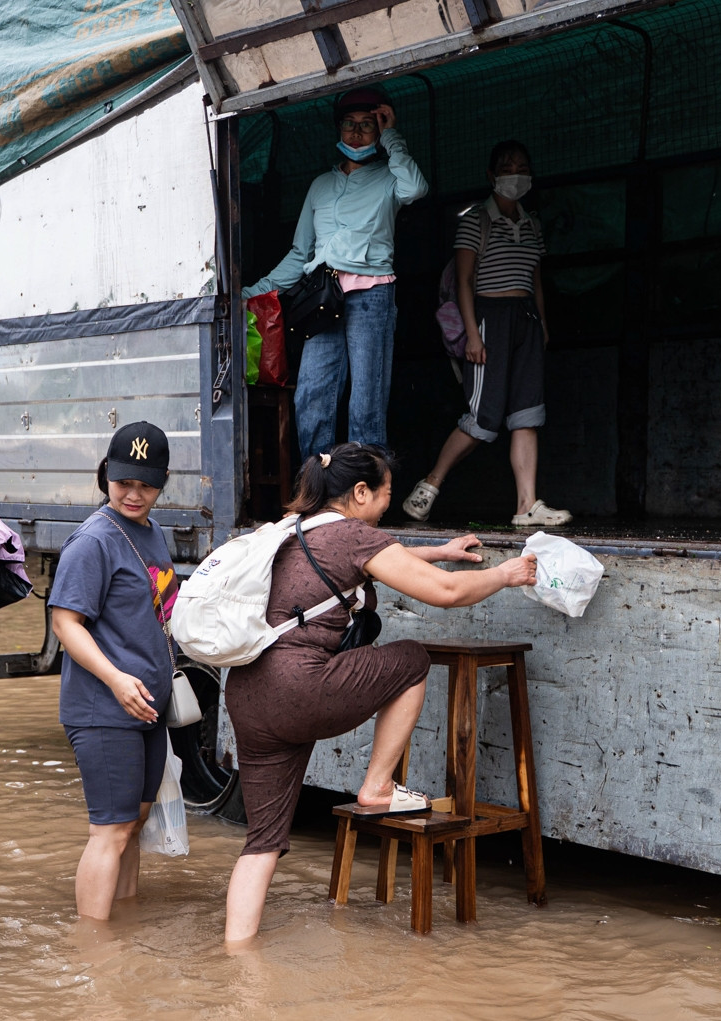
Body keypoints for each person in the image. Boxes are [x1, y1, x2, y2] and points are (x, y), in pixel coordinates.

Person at [221, 443, 537, 943]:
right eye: (386, 495)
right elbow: (446, 593)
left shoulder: (294, 529)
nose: (389, 505)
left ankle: (236, 963)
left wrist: (439, 552)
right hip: (300, 687)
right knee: (411, 659)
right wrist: (505, 574)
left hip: (246, 693)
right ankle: (377, 787)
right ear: (360, 492)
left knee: (261, 844)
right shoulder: (352, 534)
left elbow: (370, 562)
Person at [242, 87, 428, 459]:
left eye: (367, 125)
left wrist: (392, 136)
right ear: (338, 129)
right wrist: (254, 291)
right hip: (322, 297)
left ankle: (365, 493)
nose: (357, 133)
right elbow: (300, 254)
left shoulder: (389, 178)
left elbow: (416, 188)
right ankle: (320, 494)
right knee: (311, 395)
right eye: (349, 124)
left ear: (378, 132)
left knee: (366, 400)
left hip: (371, 295)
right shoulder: (320, 185)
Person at [47, 422, 180, 922]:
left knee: (135, 822)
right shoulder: (94, 540)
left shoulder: (150, 532)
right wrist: (116, 679)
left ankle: (123, 931)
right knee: (110, 829)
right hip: (105, 707)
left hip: (146, 706)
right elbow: (65, 622)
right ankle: (94, 951)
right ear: (106, 475)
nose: (133, 493)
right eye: (123, 481)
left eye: (145, 484)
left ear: (163, 482)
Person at [404, 140, 571, 528]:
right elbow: (464, 281)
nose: (516, 173)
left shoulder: (532, 224)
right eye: (507, 166)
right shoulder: (476, 220)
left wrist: (542, 324)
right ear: (491, 175)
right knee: (483, 417)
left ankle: (526, 506)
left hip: (525, 318)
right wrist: (473, 336)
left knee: (527, 413)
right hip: (487, 318)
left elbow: (535, 280)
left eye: (522, 166)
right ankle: (430, 484)